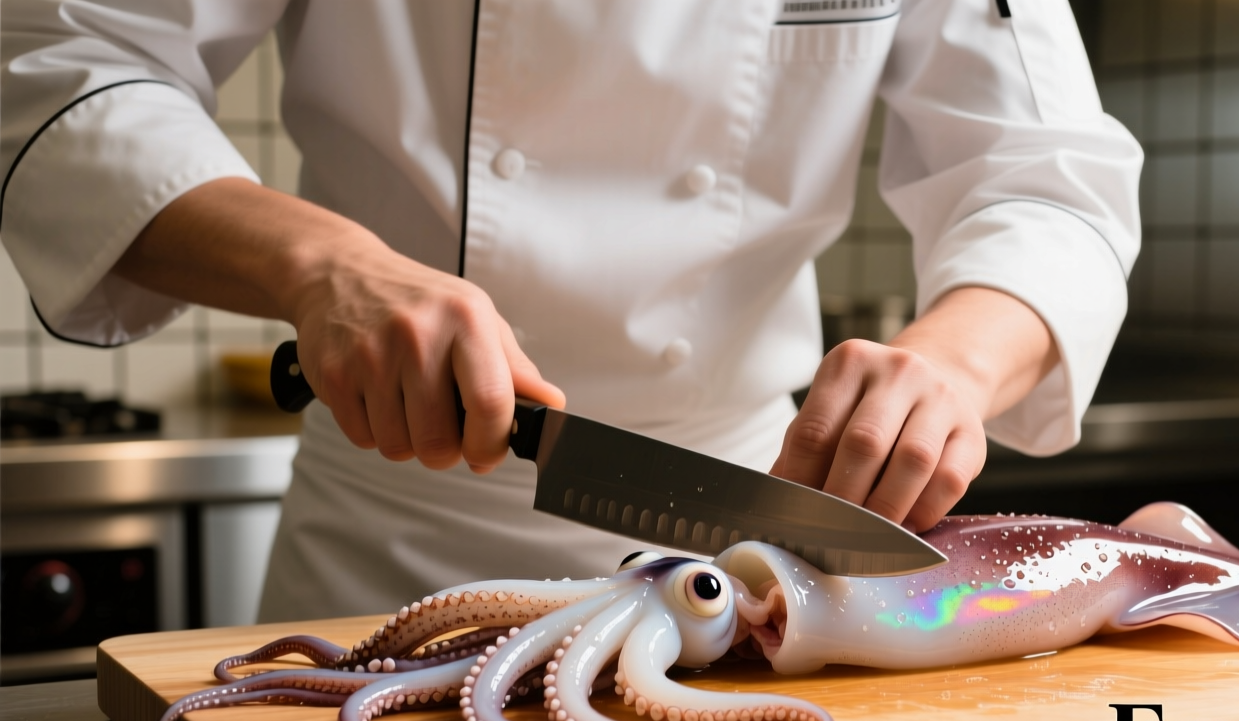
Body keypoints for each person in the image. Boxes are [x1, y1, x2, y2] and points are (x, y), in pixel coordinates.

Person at [1, 1, 1142, 621]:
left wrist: (950, 362)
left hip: (750, 543)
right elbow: (68, 53)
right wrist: (327, 264)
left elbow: (1045, 172)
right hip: (391, 548)